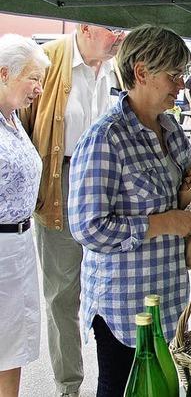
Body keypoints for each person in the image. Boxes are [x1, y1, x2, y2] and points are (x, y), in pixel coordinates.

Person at [67, 24, 191, 396]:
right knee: (122, 388)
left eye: (183, 74)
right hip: (124, 307)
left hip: (168, 294)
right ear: (141, 72)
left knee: (163, 388)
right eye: (173, 75)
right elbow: (86, 227)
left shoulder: (171, 128)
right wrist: (160, 224)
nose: (181, 84)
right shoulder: (105, 138)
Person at [18, 23, 124, 397]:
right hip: (60, 183)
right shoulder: (49, 60)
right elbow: (20, 124)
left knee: (112, 286)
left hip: (106, 184)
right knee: (63, 294)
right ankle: (69, 386)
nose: (120, 37)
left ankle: (114, 380)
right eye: (113, 28)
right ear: (85, 26)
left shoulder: (119, 66)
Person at [0, 34, 49, 397]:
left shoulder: (14, 119)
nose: (39, 89)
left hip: (17, 245)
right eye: (33, 78)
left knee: (12, 345)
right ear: (4, 73)